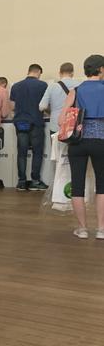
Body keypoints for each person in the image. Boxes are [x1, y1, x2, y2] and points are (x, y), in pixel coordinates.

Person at [59, 54, 104, 239]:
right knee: (102, 186)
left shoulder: (75, 91)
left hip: (78, 142)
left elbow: (61, 119)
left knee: (78, 185)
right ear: (100, 69)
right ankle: (101, 229)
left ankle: (82, 228)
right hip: (101, 141)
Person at [10, 64, 49, 191]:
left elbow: (12, 106)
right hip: (36, 123)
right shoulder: (43, 85)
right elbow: (45, 105)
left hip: (20, 123)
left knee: (21, 153)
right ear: (38, 72)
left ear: (28, 71)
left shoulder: (15, 86)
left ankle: (21, 182)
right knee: (37, 153)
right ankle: (35, 181)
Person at [40, 63, 80, 137]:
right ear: (72, 73)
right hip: (73, 124)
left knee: (56, 148)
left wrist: (51, 111)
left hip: (55, 124)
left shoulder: (52, 86)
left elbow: (42, 106)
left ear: (60, 73)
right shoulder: (79, 85)